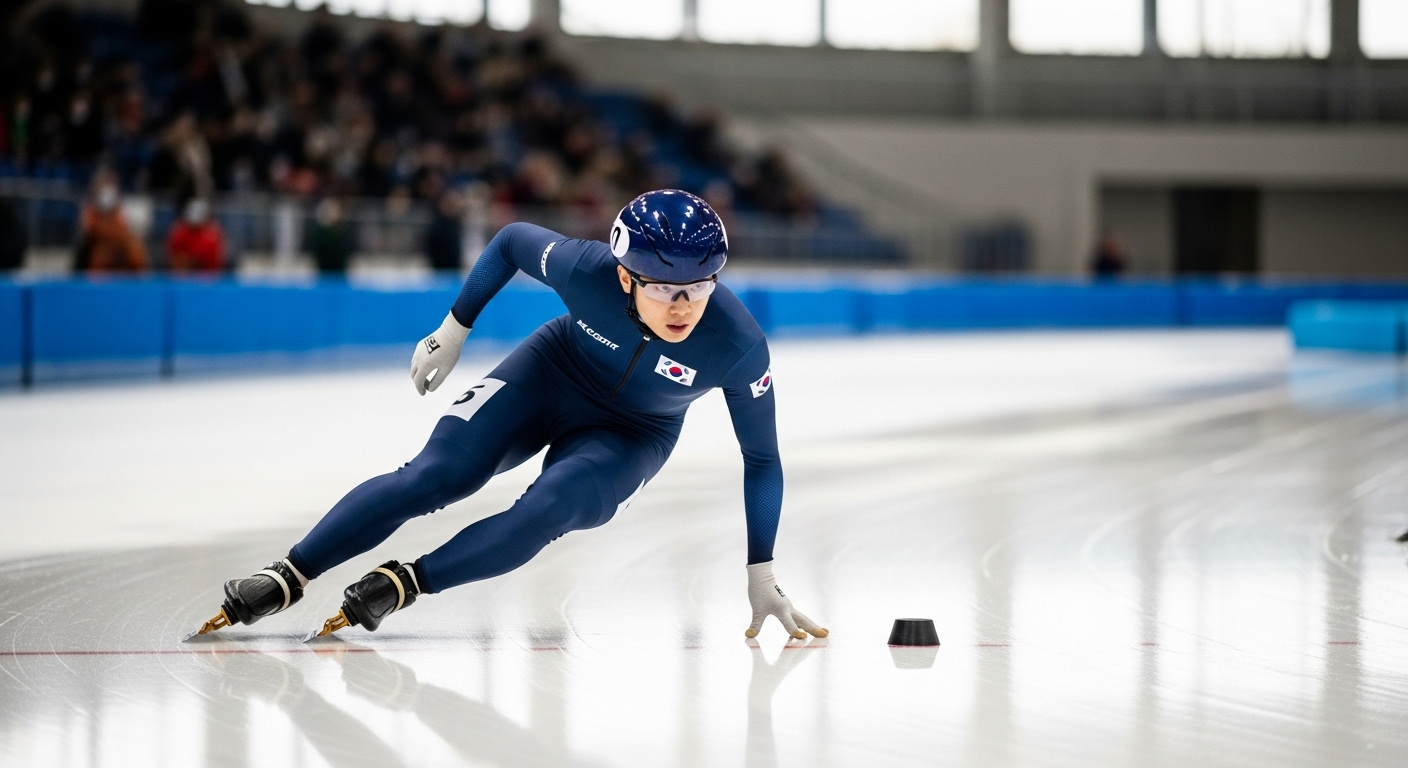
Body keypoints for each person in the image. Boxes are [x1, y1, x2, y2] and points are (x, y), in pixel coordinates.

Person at [188, 190, 826, 643]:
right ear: (626, 278)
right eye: (663, 287)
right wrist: (454, 328)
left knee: (544, 511)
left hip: (634, 432)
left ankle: (405, 583)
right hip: (551, 372)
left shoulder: (738, 345)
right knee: (434, 477)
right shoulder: (586, 270)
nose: (684, 305)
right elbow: (512, 241)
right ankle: (290, 573)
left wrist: (761, 568)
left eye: (701, 286)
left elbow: (762, 458)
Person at [76, 173, 148, 273]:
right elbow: (90, 230)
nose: (107, 193)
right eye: (103, 188)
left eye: (109, 187)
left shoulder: (121, 213)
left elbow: (121, 231)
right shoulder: (90, 213)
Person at [166, 198, 226, 274]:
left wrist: (193, 261)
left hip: (206, 277)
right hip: (182, 276)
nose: (195, 228)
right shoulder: (179, 233)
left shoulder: (212, 236)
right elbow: (175, 260)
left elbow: (213, 265)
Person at [306, 198, 357, 275]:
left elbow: (348, 252)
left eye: (334, 212)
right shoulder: (319, 233)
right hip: (323, 274)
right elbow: (316, 252)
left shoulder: (344, 232)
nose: (332, 214)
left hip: (340, 275)